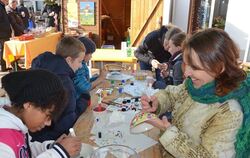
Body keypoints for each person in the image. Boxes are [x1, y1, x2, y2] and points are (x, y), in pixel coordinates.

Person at [141, 28, 250, 157]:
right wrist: (157, 102)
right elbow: (171, 95)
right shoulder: (194, 86)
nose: (186, 73)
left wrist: (168, 132)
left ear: (219, 67)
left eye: (195, 67)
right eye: (186, 64)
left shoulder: (229, 112)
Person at [0, 69, 82, 158]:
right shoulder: (3, 141)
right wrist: (59, 153)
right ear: (29, 105)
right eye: (47, 115)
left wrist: (52, 147)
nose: (48, 123)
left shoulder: (17, 126)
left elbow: (26, 151)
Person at [30, 36, 86, 142]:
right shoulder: (65, 84)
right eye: (79, 61)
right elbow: (68, 122)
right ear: (69, 60)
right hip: (51, 140)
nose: (80, 66)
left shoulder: (40, 68)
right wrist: (84, 101)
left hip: (32, 137)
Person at [73, 37, 105, 108]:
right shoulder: (78, 67)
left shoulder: (82, 64)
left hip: (81, 100)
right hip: (77, 103)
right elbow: (85, 88)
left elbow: (86, 81)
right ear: (83, 54)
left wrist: (98, 77)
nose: (91, 57)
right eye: (90, 54)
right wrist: (100, 79)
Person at [0, 0, 12, 71]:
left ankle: (4, 67)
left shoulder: (2, 6)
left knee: (3, 50)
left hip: (4, 32)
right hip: (3, 33)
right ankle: (13, 65)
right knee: (8, 50)